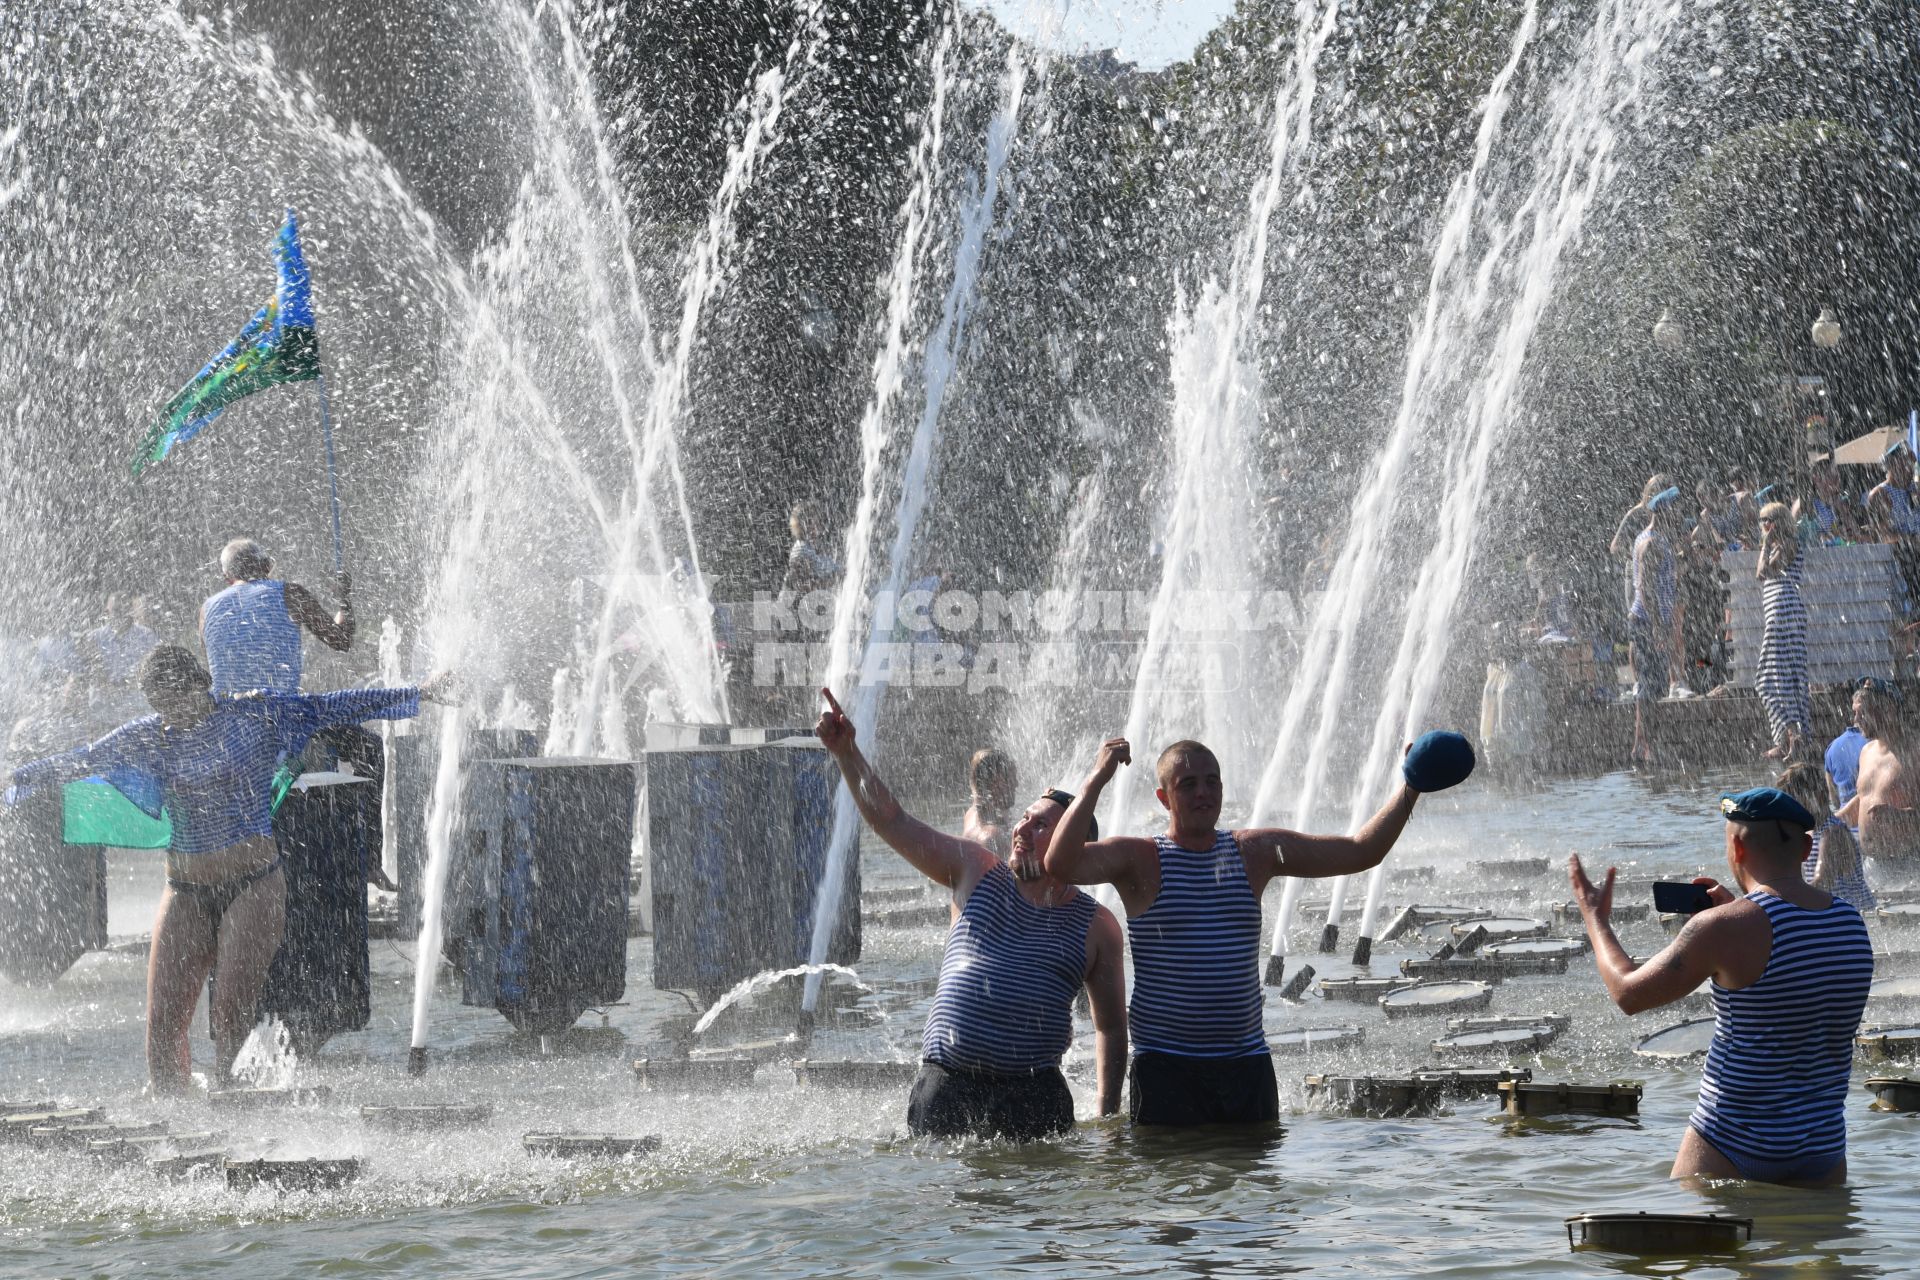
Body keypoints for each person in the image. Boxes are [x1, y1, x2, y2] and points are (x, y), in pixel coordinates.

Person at [5, 646, 438, 1092]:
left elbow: (331, 705)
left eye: (174, 702)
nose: (169, 717)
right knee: (161, 1034)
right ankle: (175, 1123)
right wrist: (18, 778)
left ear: (200, 686)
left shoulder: (255, 715)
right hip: (185, 889)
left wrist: (419, 693)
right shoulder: (152, 735)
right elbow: (87, 757)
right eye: (159, 707)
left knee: (230, 1019)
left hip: (253, 886)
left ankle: (236, 1118)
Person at [1030, 734, 1445, 1127]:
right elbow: (1060, 864)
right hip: (1166, 1066)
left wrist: (1410, 788)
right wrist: (1098, 779)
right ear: (1164, 798)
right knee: (1173, 1191)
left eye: (1212, 782)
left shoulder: (1255, 852)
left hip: (1246, 1064)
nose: (1203, 793)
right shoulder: (1139, 858)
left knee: (1252, 1192)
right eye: (1188, 784)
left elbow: (1360, 851)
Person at [812, 689, 1125, 1141]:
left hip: (1034, 1098)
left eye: (1041, 825)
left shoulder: (1097, 926)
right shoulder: (976, 871)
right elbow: (892, 821)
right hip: (947, 1085)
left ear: (1074, 845)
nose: (1021, 828)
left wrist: (1108, 1122)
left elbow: (1111, 1027)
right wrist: (847, 754)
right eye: (1025, 817)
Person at [1569, 787, 1872, 1185]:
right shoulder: (1850, 923)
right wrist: (1736, 911)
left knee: (1695, 1246)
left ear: (1737, 847)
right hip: (1823, 1149)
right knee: (1814, 1244)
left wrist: (1595, 917)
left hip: (1733, 1142)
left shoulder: (1724, 928)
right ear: (1804, 848)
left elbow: (1627, 992)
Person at [201, 538, 354, 696]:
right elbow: (341, 640)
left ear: (227, 577)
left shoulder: (206, 610)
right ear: (267, 565)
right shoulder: (290, 594)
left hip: (227, 715)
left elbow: (215, 665)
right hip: (280, 713)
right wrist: (344, 598)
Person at [1838, 678, 1918, 867]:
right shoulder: (1867, 751)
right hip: (1873, 864)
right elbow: (1864, 796)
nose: (1855, 720)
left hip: (1911, 863)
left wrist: (1904, 817)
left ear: (1888, 710)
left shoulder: (1916, 752)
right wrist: (1832, 822)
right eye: (1855, 713)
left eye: (1862, 713)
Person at [1629, 487, 1682, 766]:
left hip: (1645, 621)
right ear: (1663, 510)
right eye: (1675, 508)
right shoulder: (1652, 543)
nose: (1679, 513)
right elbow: (1646, 588)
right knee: (1651, 688)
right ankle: (1648, 749)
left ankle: (1641, 747)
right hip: (1648, 622)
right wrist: (1659, 626)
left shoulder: (1645, 537)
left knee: (1648, 687)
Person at [1778, 763, 1875, 912]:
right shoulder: (1811, 833)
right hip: (1833, 912)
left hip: (1854, 915)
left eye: (1795, 802)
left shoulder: (1833, 833)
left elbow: (1822, 881)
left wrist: (1781, 897)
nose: (1790, 810)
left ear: (1818, 795)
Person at [1755, 501, 1811, 761]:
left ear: (1776, 522)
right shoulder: (1779, 544)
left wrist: (1766, 544)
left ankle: (1793, 735)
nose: (1762, 526)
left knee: (1768, 680)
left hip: (1783, 613)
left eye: (1766, 521)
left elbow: (1764, 572)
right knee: (1787, 678)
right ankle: (1788, 739)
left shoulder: (1787, 543)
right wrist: (1766, 544)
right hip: (1784, 614)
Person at [1825, 683, 1872, 811]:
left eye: (1862, 713)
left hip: (1847, 826)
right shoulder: (1880, 747)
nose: (1856, 717)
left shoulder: (1832, 747)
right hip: (1879, 826)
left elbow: (1834, 800)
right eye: (1856, 712)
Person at [962, 747, 1018, 857]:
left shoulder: (972, 814)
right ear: (994, 783)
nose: (1016, 784)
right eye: (1010, 779)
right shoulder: (995, 839)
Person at [782, 500, 840, 601]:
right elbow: (804, 586)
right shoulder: (801, 550)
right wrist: (838, 579)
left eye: (817, 521)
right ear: (799, 525)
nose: (814, 526)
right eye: (809, 522)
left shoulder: (815, 547)